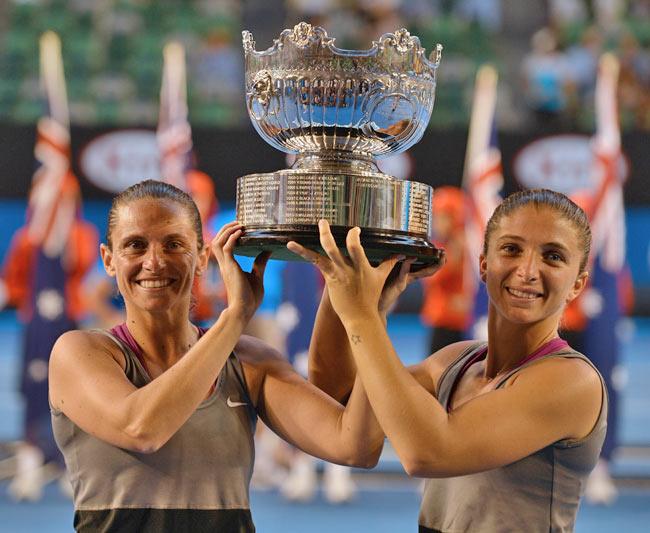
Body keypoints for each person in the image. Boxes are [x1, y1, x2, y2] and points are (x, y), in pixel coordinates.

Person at [48, 180, 384, 533]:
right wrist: (235, 317)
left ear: (201, 257)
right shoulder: (79, 353)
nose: (154, 261)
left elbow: (355, 447)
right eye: (135, 245)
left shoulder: (249, 361)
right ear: (108, 260)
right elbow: (142, 429)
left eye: (173, 245)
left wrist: (366, 310)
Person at [290, 189, 607, 532]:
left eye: (553, 256)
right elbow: (340, 399)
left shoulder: (572, 381)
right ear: (484, 264)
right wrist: (343, 273)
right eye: (511, 249)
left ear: (577, 284)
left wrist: (363, 317)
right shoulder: (456, 362)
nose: (528, 270)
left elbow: (428, 451)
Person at [0, 173, 98, 501]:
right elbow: (13, 281)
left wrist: (61, 231)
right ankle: (30, 463)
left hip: (70, 325)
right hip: (35, 329)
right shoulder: (27, 238)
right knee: (33, 390)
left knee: (72, 395)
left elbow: (80, 264)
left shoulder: (82, 234)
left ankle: (70, 465)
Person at [420, 186, 473, 355]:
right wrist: (453, 258)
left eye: (443, 217)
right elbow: (429, 279)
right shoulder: (435, 247)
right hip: (441, 319)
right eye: (435, 217)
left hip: (464, 322)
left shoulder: (473, 247)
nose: (437, 223)